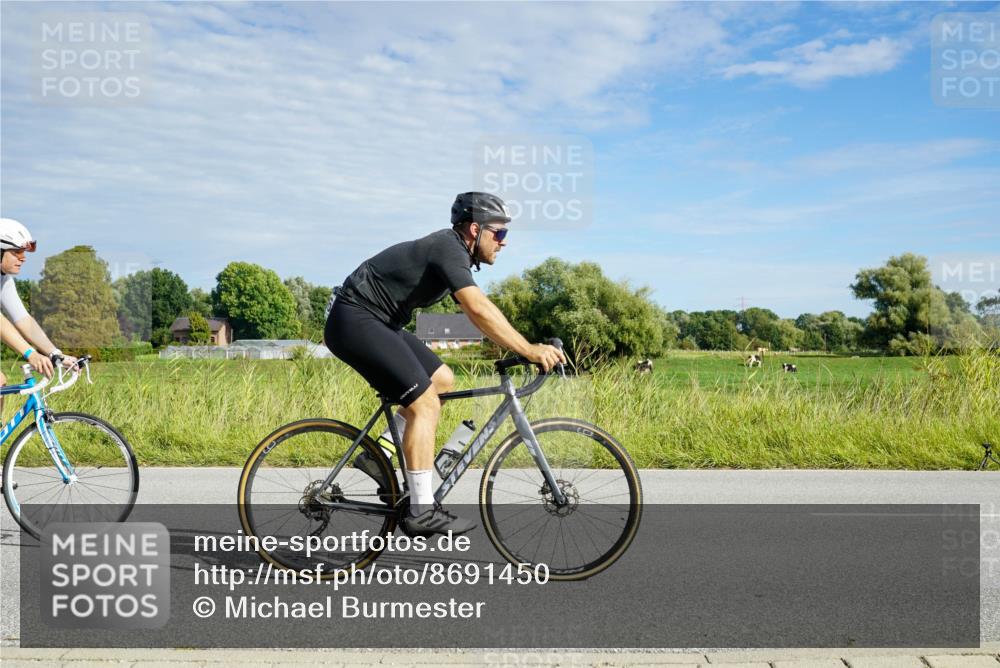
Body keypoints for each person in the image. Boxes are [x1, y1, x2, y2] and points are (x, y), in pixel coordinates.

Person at [324, 192, 565, 535]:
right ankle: (420, 511)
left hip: (376, 321)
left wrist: (526, 346)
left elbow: (483, 310)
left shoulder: (453, 251)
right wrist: (528, 349)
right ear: (473, 229)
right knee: (424, 405)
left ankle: (378, 452)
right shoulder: (448, 248)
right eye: (499, 233)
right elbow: (477, 308)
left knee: (442, 380)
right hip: (354, 318)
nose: (503, 242)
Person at [1, 218, 76, 409]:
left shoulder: (4, 280)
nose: (23, 258)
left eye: (24, 252)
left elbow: (23, 319)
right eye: (17, 252)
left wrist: (55, 353)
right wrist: (31, 354)